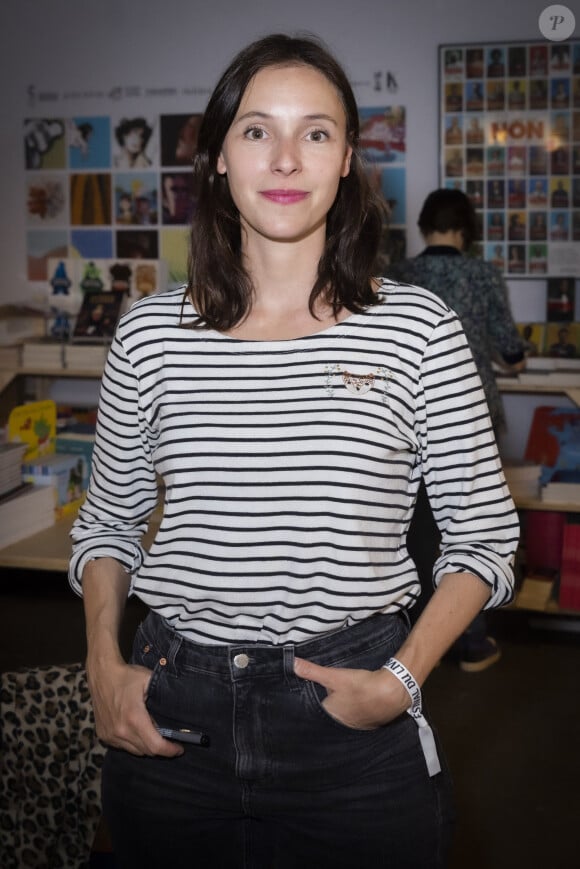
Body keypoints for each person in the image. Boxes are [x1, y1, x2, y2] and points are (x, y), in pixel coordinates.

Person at [69, 35, 518, 869]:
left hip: (350, 712)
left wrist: (403, 680)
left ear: (347, 158)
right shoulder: (149, 332)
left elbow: (484, 537)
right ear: (215, 156)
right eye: (255, 131)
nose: (284, 157)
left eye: (314, 132)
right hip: (172, 709)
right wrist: (102, 663)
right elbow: (108, 522)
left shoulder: (417, 328)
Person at [389, 188, 524, 673]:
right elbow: (509, 349)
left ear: (424, 226)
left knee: (406, 527)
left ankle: (404, 638)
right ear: (467, 228)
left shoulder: (400, 274)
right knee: (469, 526)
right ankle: (470, 641)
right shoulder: (481, 273)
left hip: (402, 413)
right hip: (471, 411)